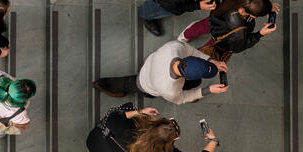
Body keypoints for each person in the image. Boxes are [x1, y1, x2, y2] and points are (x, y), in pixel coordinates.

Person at [86, 105, 219, 152]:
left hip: (96, 140)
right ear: (172, 141)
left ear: (155, 123)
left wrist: (140, 112)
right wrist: (212, 141)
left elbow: (114, 115)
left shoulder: (126, 128)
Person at [93, 39, 228, 104]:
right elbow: (182, 99)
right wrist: (208, 90)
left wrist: (211, 61)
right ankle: (102, 84)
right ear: (187, 77)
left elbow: (192, 51)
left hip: (151, 64)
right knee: (129, 84)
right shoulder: (169, 89)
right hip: (146, 83)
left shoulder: (175, 47)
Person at [178, 0, 279, 58]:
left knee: (199, 27)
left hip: (214, 18)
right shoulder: (241, 30)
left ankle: (182, 37)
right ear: (253, 16)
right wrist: (260, 33)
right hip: (221, 37)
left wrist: (266, 6)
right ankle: (190, 56)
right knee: (207, 50)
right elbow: (238, 47)